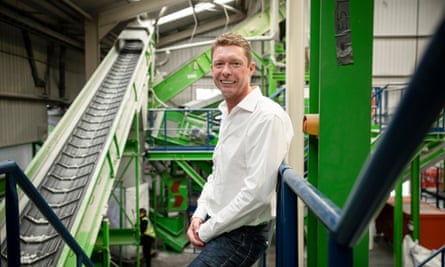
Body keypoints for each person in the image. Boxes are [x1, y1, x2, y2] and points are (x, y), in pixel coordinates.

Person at [187, 32, 294, 267]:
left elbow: (256, 195)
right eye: (219, 64)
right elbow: (217, 174)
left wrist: (205, 231)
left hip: (243, 235)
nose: (226, 71)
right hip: (219, 224)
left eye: (235, 63)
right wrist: (198, 214)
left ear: (251, 68)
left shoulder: (267, 117)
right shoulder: (228, 113)